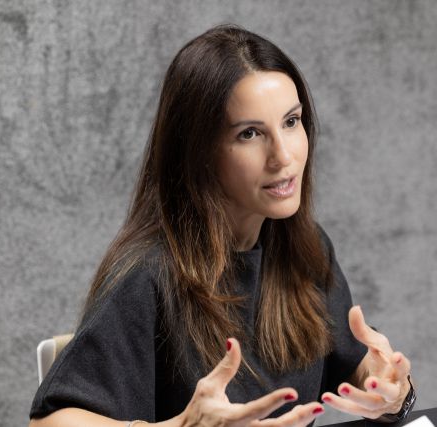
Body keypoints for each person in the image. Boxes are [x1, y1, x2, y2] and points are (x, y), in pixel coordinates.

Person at [29, 24, 415, 427]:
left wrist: (389, 389)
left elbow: (356, 370)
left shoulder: (306, 247)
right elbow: (49, 423)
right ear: (200, 151)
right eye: (250, 133)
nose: (284, 156)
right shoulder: (148, 272)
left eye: (291, 121)